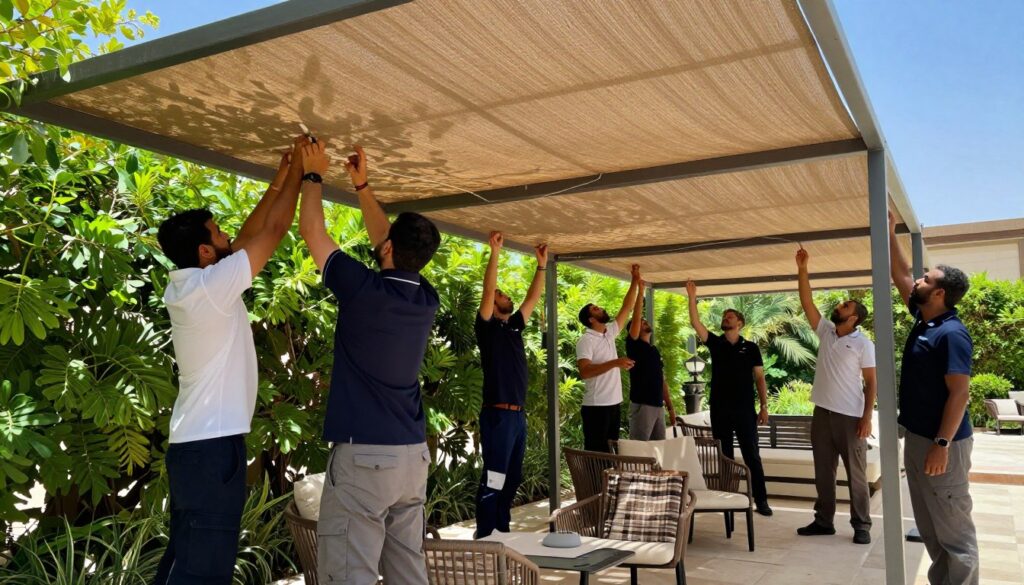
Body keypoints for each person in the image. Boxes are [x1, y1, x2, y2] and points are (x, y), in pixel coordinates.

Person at [154, 136, 306, 584]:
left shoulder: (189, 284)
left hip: (195, 448)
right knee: (204, 572)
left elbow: (247, 236)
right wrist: (304, 172)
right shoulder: (209, 288)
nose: (227, 236)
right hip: (211, 447)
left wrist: (280, 179)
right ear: (205, 252)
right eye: (218, 232)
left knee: (184, 563)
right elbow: (272, 233)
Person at [298, 141, 442, 585]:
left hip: (366, 459)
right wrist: (362, 185)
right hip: (410, 458)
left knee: (349, 574)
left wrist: (313, 174)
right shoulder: (425, 300)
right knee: (407, 571)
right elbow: (387, 243)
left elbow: (313, 234)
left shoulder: (364, 291)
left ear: (389, 249)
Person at [889, 210, 978, 584]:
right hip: (918, 437)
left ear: (939, 293)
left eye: (927, 278)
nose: (919, 279)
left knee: (954, 532)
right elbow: (899, 274)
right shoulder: (925, 319)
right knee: (931, 527)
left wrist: (941, 444)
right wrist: (888, 228)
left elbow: (961, 393)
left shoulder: (951, 334)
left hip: (944, 443)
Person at [794, 249, 877, 544]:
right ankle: (824, 521)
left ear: (852, 317)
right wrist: (803, 268)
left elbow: (871, 382)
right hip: (822, 414)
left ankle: (862, 525)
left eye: (844, 305)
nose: (838, 306)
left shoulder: (863, 344)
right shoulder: (827, 331)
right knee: (823, 472)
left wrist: (867, 418)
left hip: (850, 417)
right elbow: (807, 302)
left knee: (855, 473)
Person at [474, 231, 548, 538]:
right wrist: (495, 253)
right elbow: (488, 289)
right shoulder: (487, 327)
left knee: (513, 476)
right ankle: (485, 533)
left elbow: (532, 298)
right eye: (501, 294)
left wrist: (541, 266)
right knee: (495, 476)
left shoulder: (514, 328)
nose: (505, 296)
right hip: (498, 415)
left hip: (517, 416)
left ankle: (501, 529)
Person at [686, 279, 773, 516]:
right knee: (725, 457)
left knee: (751, 456)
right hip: (720, 410)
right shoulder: (716, 343)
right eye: (724, 316)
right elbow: (695, 322)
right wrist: (691, 297)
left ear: (740, 323)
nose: (726, 318)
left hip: (745, 410)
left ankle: (761, 501)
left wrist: (764, 407)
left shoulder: (751, 347)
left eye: (730, 316)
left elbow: (760, 379)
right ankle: (727, 500)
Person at [575, 265, 641, 452]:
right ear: (591, 319)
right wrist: (616, 363)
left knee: (612, 453)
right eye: (596, 309)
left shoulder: (609, 332)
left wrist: (635, 280)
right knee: (597, 454)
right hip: (596, 406)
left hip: (614, 403)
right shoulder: (586, 341)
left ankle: (607, 483)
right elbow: (585, 371)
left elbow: (626, 307)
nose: (601, 308)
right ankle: (595, 483)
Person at [625, 279, 677, 440]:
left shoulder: (653, 350)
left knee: (658, 450)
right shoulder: (633, 345)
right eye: (641, 322)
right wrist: (641, 292)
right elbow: (636, 315)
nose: (644, 322)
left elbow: (661, 379)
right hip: (642, 405)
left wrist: (670, 408)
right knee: (639, 450)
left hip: (657, 406)